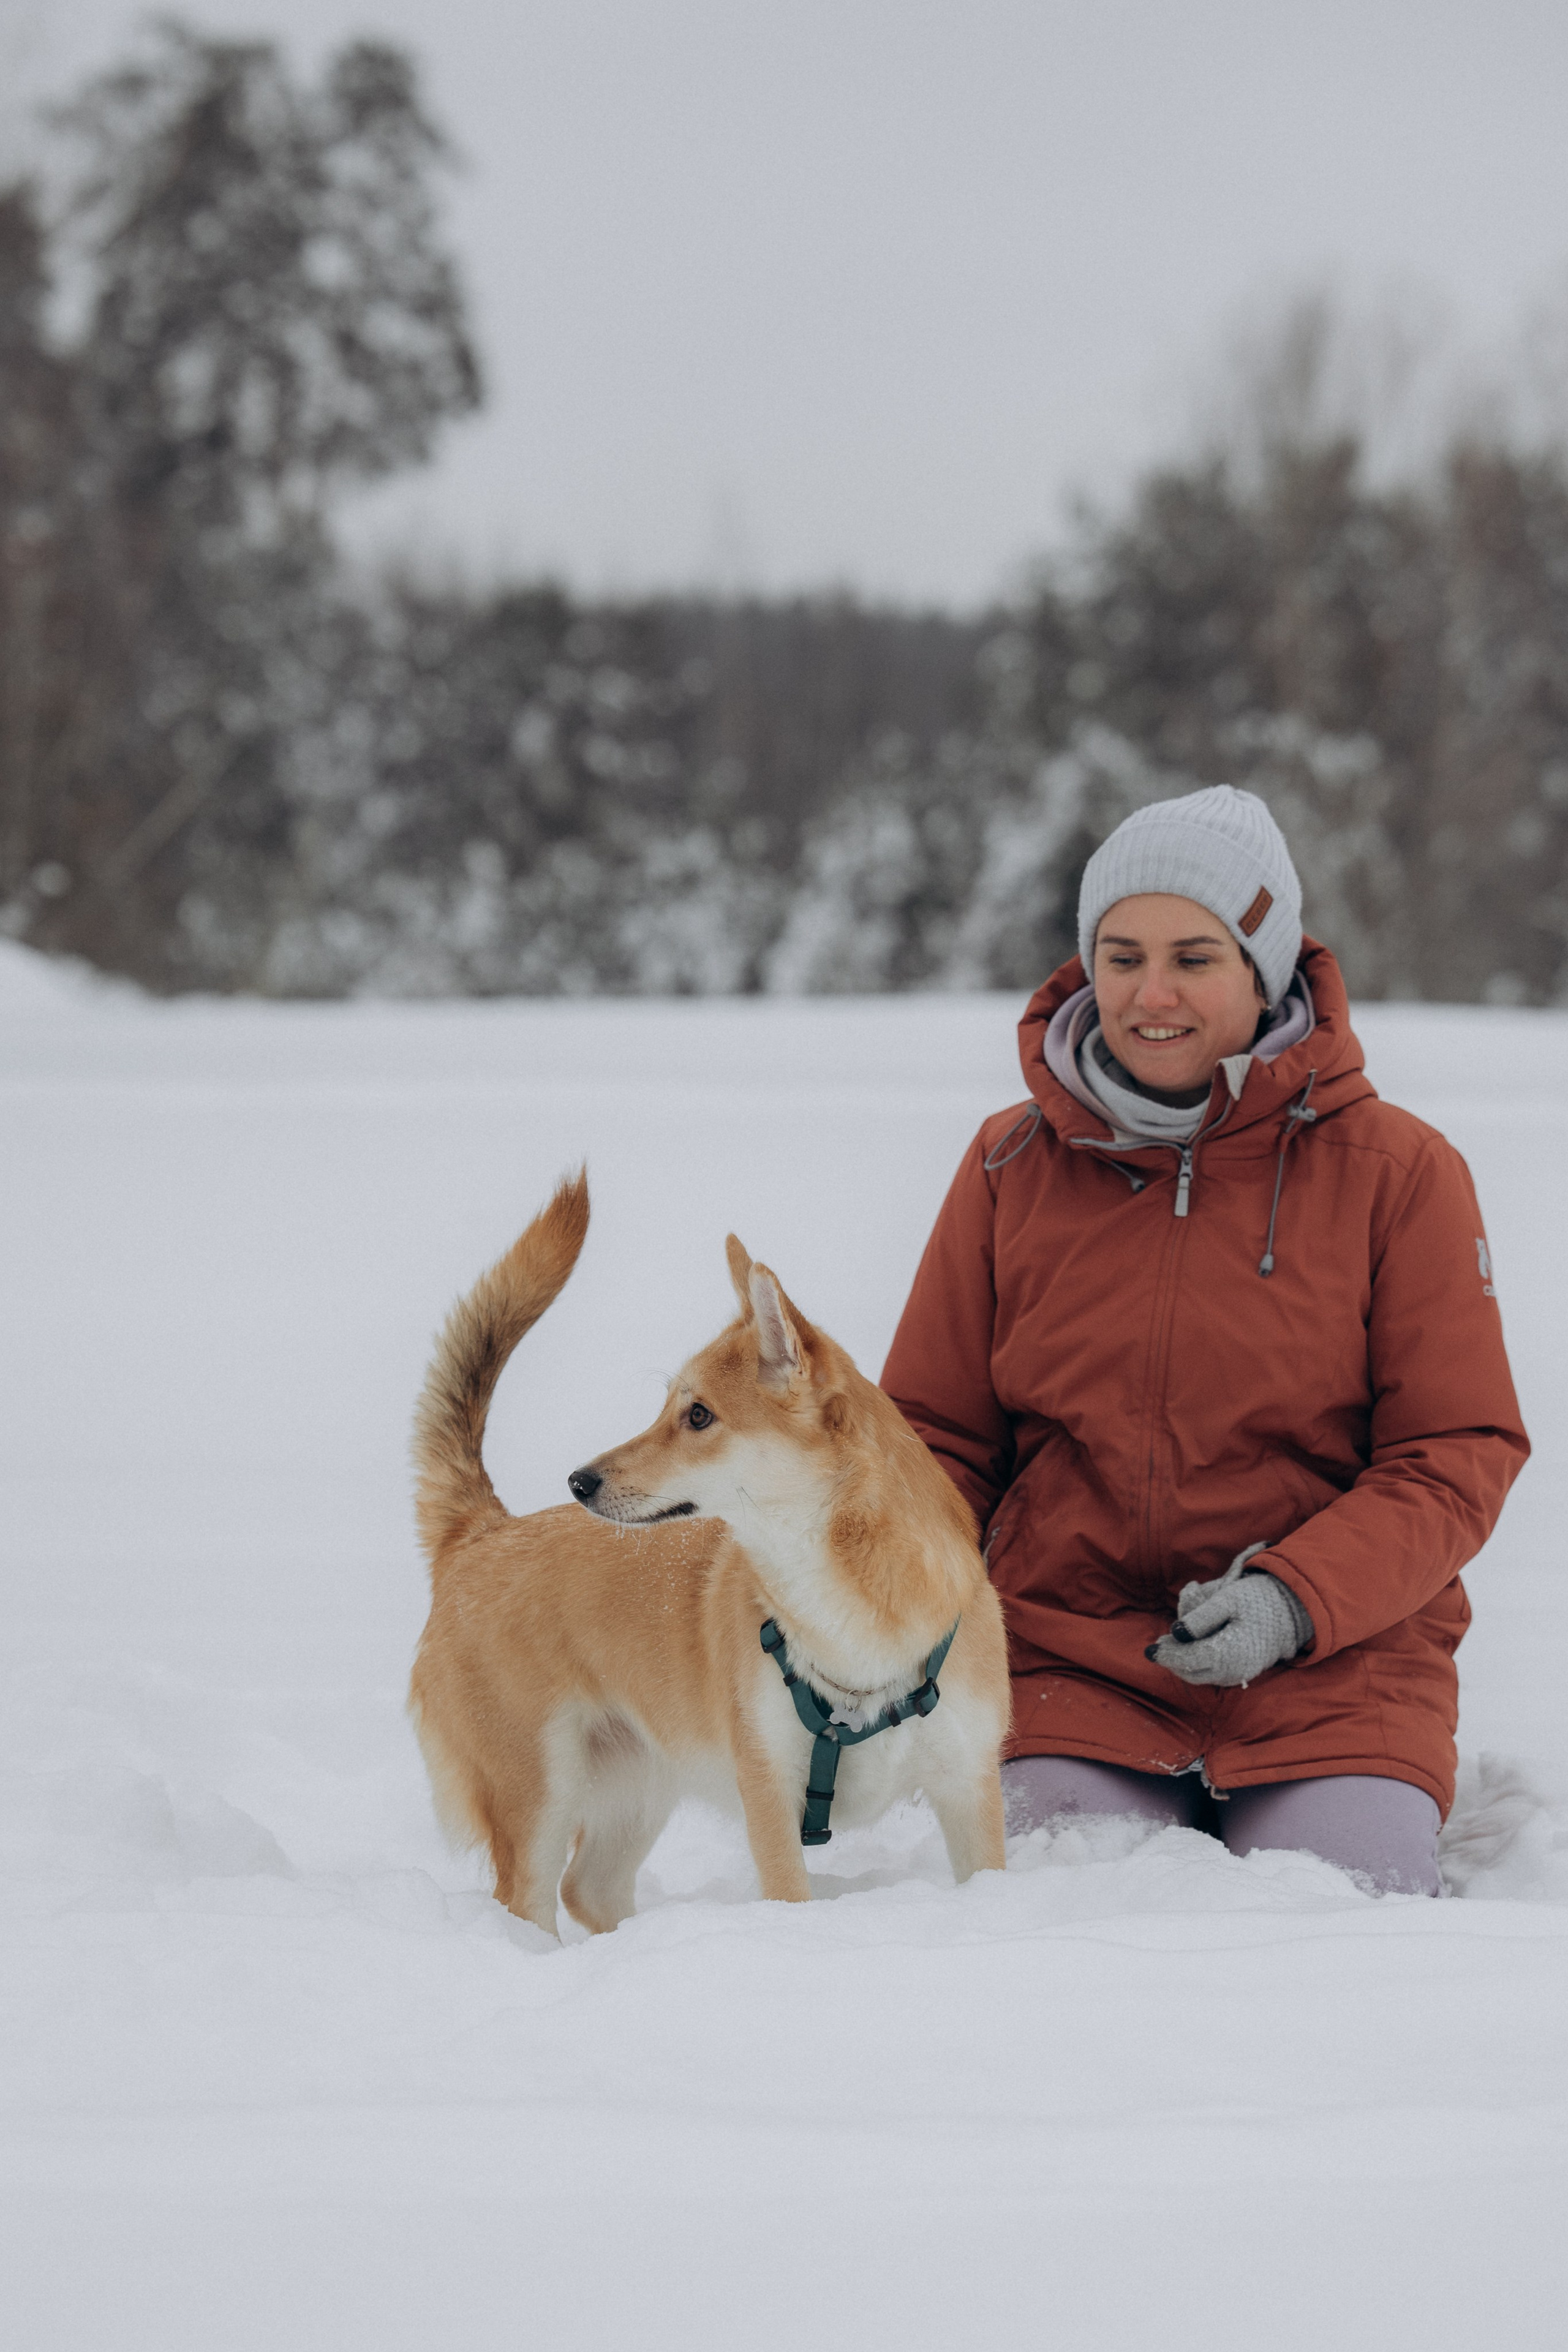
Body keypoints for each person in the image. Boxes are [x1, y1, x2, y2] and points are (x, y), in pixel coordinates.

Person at [881, 785, 1528, 1895]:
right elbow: (931, 1437)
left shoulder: (1401, 1173)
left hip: (1340, 1668)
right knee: (1048, 1918)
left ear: (1264, 967)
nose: (1151, 994)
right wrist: (889, 1602)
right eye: (1121, 957)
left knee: (1335, 1927)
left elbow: (1456, 1451)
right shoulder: (1009, 1165)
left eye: (1195, 956)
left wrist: (1294, 1598)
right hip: (1066, 1660)